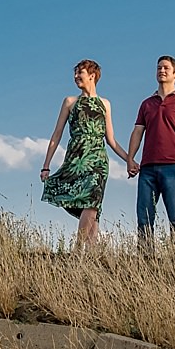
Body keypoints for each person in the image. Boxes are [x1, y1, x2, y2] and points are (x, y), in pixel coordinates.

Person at [40, 59, 132, 247]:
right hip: (76, 159)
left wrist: (129, 160)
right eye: (75, 73)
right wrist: (46, 165)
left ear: (92, 75)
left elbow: (111, 139)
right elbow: (56, 134)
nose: (75, 77)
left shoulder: (104, 104)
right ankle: (89, 255)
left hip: (98, 161)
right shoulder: (70, 102)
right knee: (89, 207)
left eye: (79, 73)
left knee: (92, 204)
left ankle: (79, 251)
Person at [127, 55, 175, 244]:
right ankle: (145, 260)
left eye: (166, 68)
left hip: (173, 168)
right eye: (159, 67)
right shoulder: (147, 103)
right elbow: (137, 132)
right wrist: (130, 158)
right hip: (147, 169)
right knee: (144, 217)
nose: (161, 71)